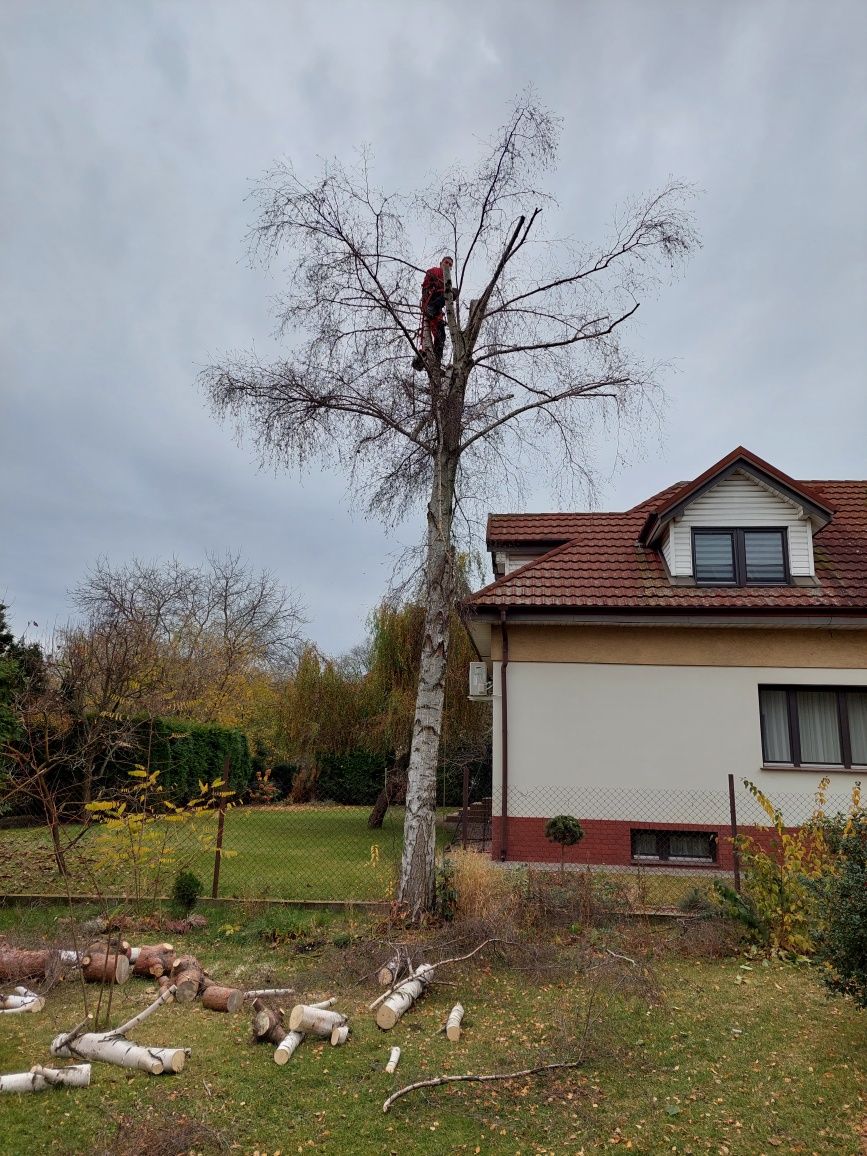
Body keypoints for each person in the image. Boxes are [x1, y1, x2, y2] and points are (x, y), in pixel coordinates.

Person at [412, 257, 453, 371]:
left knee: (441, 337)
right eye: (446, 262)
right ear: (441, 263)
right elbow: (426, 284)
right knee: (450, 293)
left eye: (450, 265)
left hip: (437, 310)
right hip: (431, 299)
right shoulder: (435, 271)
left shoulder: (446, 279)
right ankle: (424, 354)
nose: (448, 265)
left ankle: (436, 362)